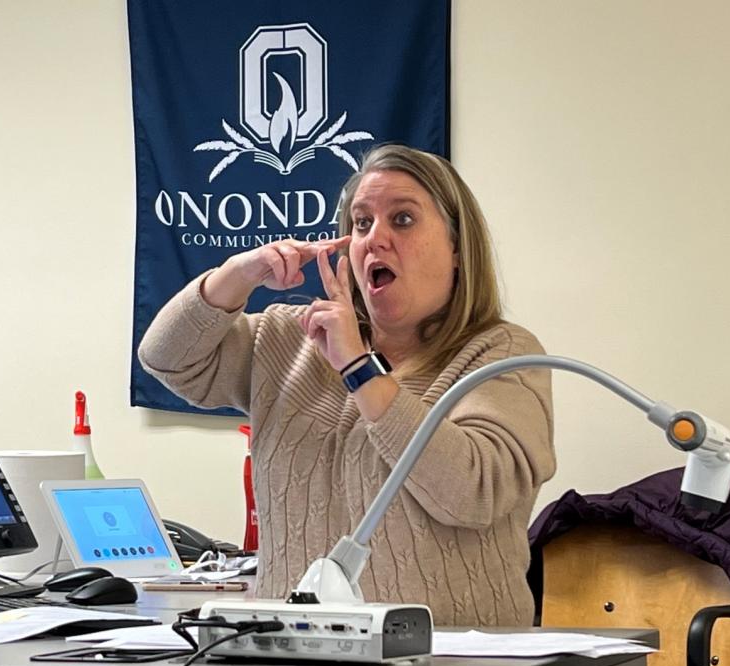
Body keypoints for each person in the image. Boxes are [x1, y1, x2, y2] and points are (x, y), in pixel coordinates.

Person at [138, 144, 556, 626]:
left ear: (458, 248)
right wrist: (240, 273)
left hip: (451, 656)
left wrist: (358, 366)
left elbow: (474, 493)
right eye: (361, 223)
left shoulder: (502, 354)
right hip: (294, 655)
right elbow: (166, 359)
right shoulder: (289, 336)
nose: (374, 238)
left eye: (402, 220)